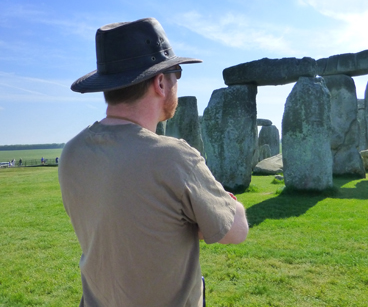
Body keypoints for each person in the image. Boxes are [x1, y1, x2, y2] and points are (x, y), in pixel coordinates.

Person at [58, 17, 249, 307]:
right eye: (177, 73)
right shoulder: (173, 157)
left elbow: (120, 224)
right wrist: (223, 206)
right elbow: (236, 230)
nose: (176, 83)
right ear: (160, 82)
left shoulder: (71, 153)